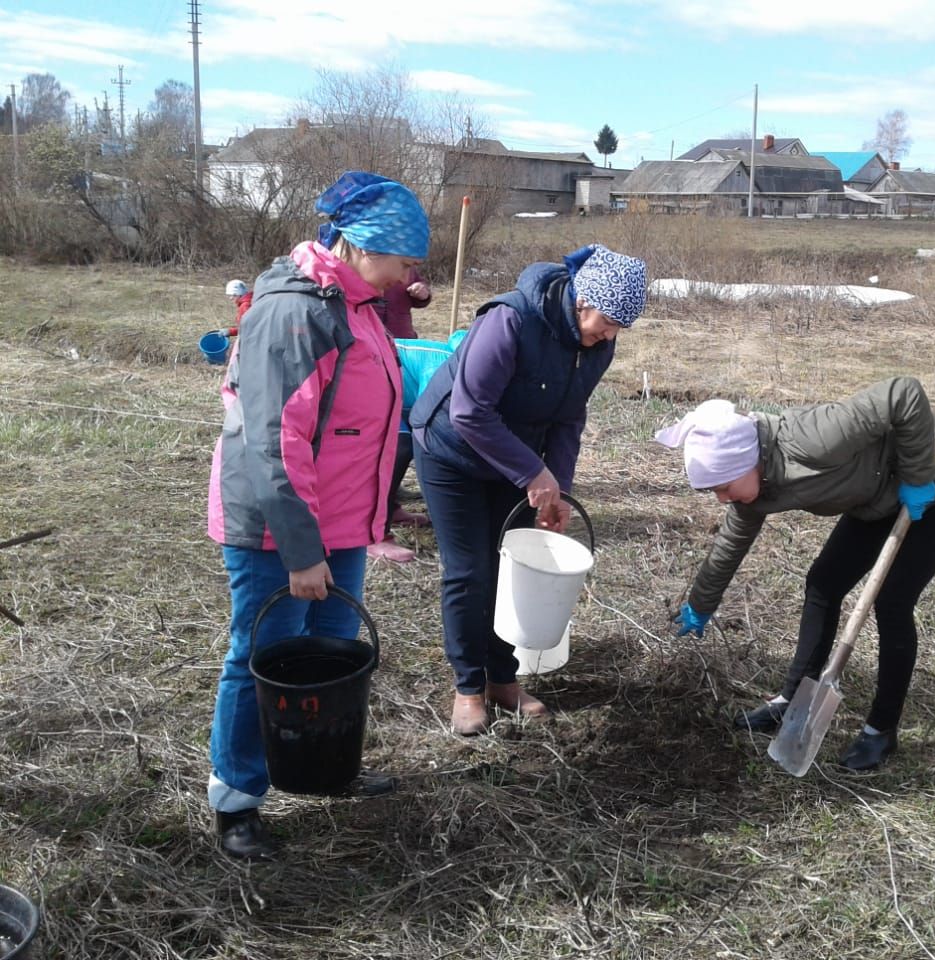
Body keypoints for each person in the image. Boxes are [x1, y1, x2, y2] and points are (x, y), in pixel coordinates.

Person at [205, 170, 430, 858]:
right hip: (280, 525)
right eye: (401, 257)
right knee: (262, 654)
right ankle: (237, 801)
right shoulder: (296, 312)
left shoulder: (357, 301)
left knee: (334, 652)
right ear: (361, 245)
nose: (408, 272)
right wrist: (301, 552)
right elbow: (273, 442)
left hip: (339, 522)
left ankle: (324, 766)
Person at [655, 379, 935, 771]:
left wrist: (917, 477)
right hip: (875, 496)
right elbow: (730, 544)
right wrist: (700, 603)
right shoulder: (753, 488)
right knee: (823, 584)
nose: (722, 499)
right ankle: (792, 701)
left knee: (892, 601)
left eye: (723, 487)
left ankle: (881, 729)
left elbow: (903, 394)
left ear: (745, 462)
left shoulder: (812, 438)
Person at [410, 243, 647, 735]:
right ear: (582, 301)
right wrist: (532, 475)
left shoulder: (596, 345)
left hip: (512, 461)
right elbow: (469, 412)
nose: (610, 335)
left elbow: (568, 416)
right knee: (470, 569)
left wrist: (556, 487)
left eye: (620, 328)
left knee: (509, 567)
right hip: (450, 452)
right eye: (607, 321)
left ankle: (503, 678)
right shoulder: (510, 320)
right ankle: (468, 687)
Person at [367, 271, 437, 563]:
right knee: (400, 448)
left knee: (406, 445)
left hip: (395, 353)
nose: (407, 267)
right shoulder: (444, 370)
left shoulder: (403, 267)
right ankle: (373, 534)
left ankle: (390, 507)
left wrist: (422, 293)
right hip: (376, 367)